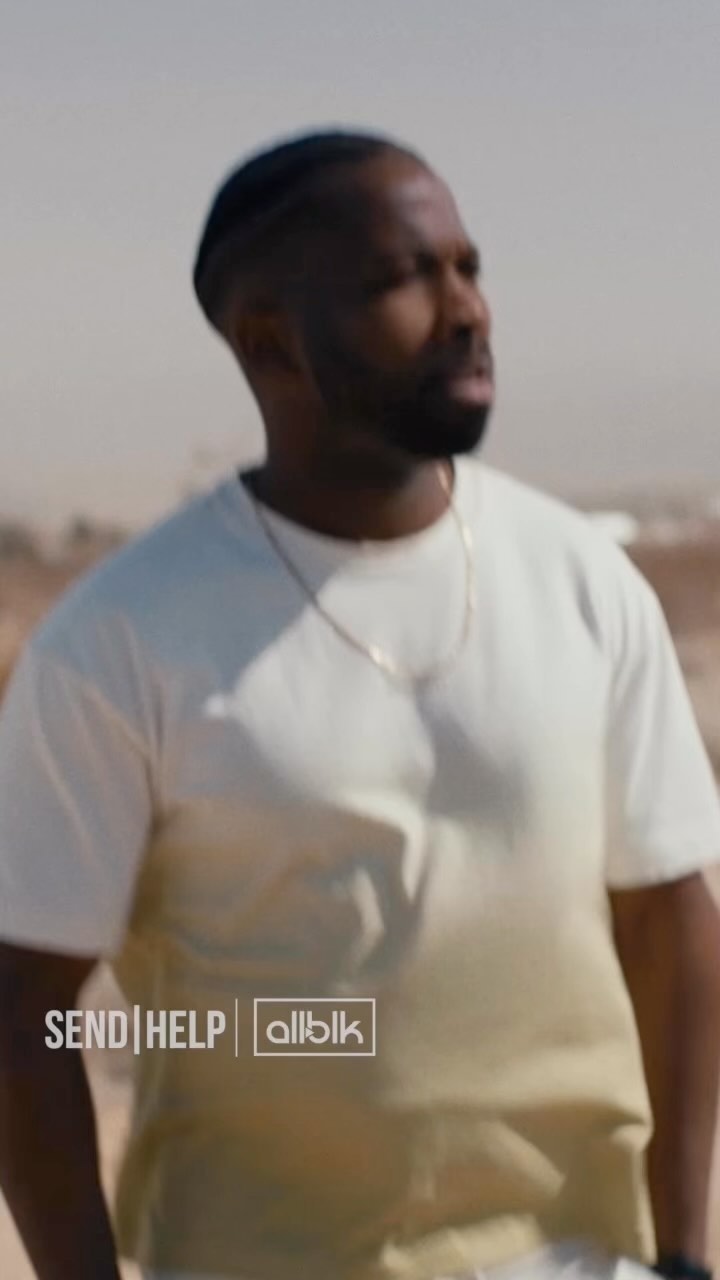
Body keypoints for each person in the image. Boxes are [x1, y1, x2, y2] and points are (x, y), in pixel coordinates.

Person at [1, 128, 720, 1280]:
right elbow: (24, 1010)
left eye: (469, 267)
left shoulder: (584, 581)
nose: (467, 310)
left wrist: (682, 1252)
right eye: (405, 278)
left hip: (578, 1257)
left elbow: (669, 913)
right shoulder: (121, 639)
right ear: (268, 339)